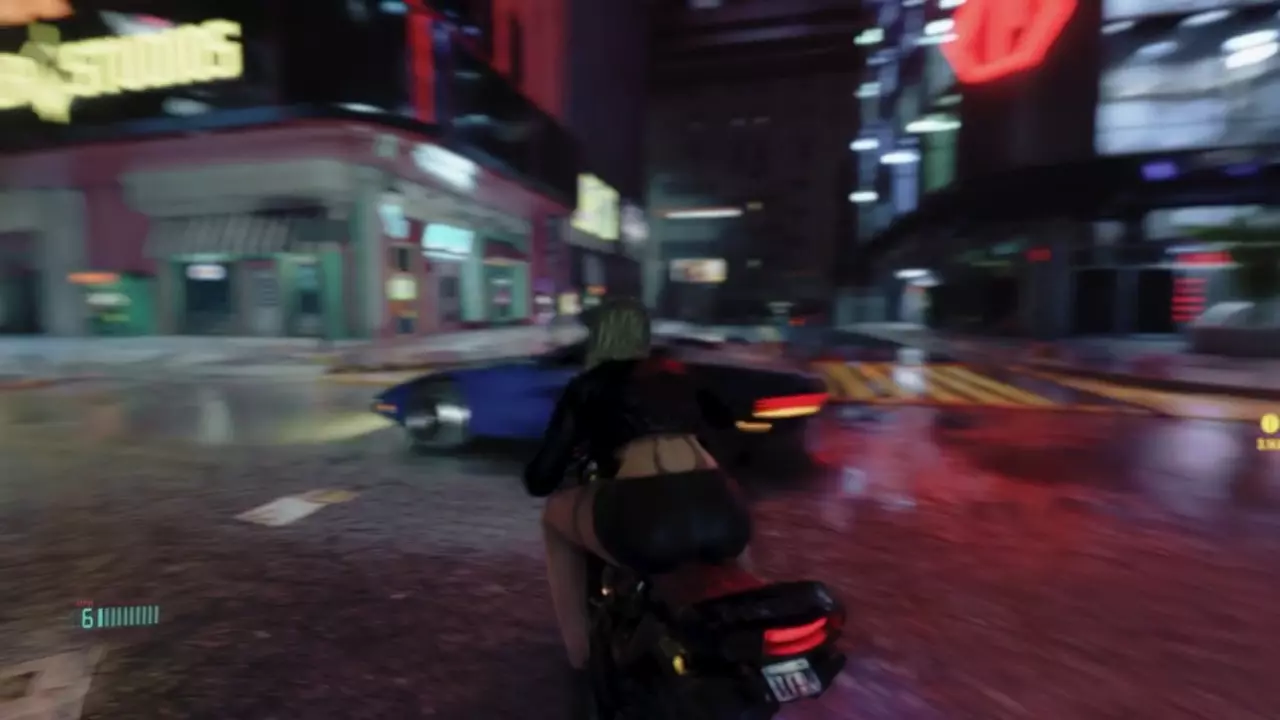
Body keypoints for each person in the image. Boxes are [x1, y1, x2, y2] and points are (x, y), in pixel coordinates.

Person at [523, 297, 753, 678]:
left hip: (645, 515)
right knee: (731, 538)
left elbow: (542, 479)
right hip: (718, 503)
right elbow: (733, 437)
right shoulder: (682, 375)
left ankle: (581, 655)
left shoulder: (589, 386)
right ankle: (749, 615)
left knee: (554, 520)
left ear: (601, 337)